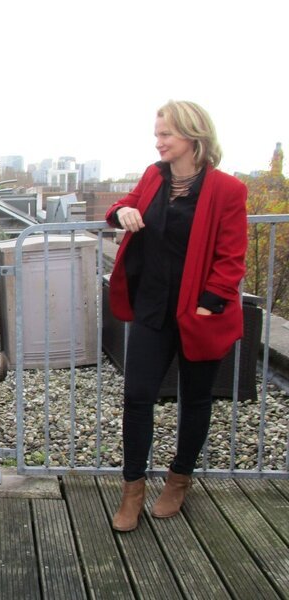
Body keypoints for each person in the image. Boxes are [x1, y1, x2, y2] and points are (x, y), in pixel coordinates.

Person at [106, 100, 248, 532]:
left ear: (193, 137)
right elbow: (122, 207)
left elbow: (231, 257)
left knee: (196, 399)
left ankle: (179, 480)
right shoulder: (153, 176)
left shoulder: (227, 190)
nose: (159, 141)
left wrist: (210, 302)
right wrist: (121, 213)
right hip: (152, 308)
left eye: (166, 134)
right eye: (158, 133)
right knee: (137, 396)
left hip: (198, 312)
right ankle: (133, 490)